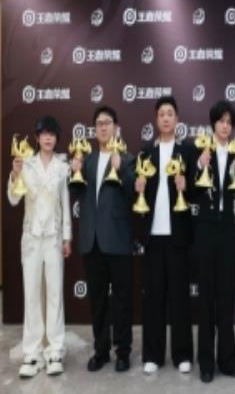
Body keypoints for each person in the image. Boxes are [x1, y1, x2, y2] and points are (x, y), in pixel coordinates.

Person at [70, 106, 135, 373]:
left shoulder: (128, 159)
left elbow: (134, 194)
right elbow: (76, 193)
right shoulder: (86, 160)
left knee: (122, 300)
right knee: (97, 301)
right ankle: (101, 351)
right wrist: (73, 171)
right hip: (92, 241)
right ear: (94, 129)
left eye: (108, 122)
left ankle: (123, 351)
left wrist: (121, 171)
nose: (103, 127)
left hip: (118, 241)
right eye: (99, 123)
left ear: (116, 127)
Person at [7, 116, 71, 378]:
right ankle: (32, 353)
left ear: (56, 138)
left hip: (54, 238)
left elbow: (65, 202)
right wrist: (15, 174)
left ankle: (55, 350)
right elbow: (13, 199)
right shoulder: (26, 163)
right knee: (32, 294)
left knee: (55, 294)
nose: (48, 138)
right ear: (36, 137)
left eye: (52, 134)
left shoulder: (62, 166)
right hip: (32, 239)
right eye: (44, 133)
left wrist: (67, 237)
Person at [135, 96, 194, 375]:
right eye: (162, 114)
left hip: (178, 235)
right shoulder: (146, 152)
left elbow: (198, 189)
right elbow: (138, 193)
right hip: (153, 236)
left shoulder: (188, 150)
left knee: (180, 297)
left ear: (177, 119)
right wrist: (138, 187)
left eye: (170, 113)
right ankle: (153, 355)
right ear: (156, 120)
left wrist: (187, 184)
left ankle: (182, 354)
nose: (166, 118)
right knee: (154, 298)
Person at [190, 100, 235, 383]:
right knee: (206, 299)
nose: (225, 126)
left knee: (226, 298)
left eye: (229, 122)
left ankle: (228, 360)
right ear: (213, 123)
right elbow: (190, 192)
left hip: (228, 232)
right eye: (221, 121)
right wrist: (200, 165)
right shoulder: (201, 150)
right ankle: (206, 362)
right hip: (205, 231)